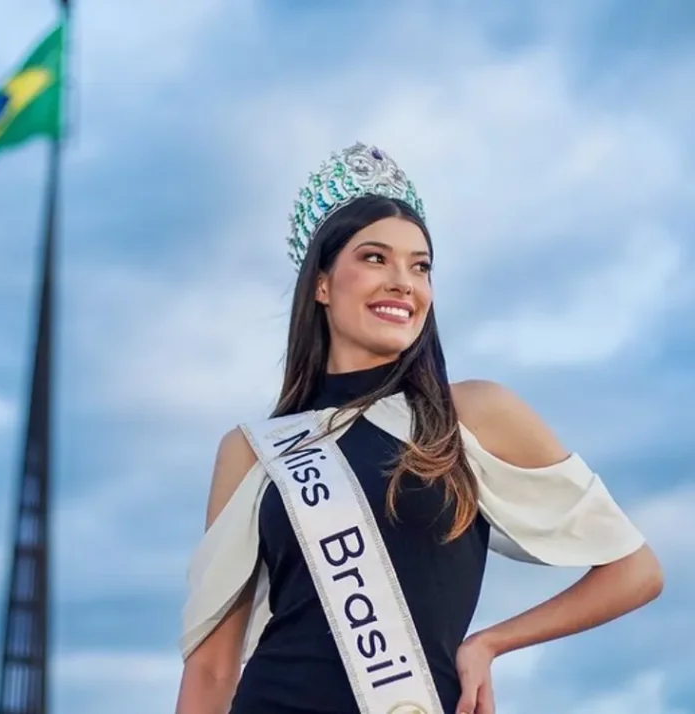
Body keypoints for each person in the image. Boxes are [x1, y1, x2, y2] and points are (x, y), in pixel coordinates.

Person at [174, 142, 664, 714]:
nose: (403, 281)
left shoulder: (471, 415)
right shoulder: (254, 451)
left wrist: (490, 643)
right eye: (376, 258)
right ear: (322, 284)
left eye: (420, 265)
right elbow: (210, 668)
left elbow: (634, 570)